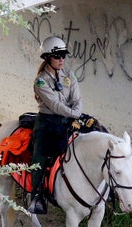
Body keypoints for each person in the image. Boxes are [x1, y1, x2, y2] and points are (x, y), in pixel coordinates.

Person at [28, 36, 83, 214]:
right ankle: (35, 196)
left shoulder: (70, 75)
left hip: (69, 118)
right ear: (47, 58)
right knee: (40, 155)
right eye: (57, 56)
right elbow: (55, 106)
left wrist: (77, 114)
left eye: (63, 56)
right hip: (48, 122)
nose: (61, 60)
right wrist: (75, 114)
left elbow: (77, 99)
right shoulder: (40, 81)